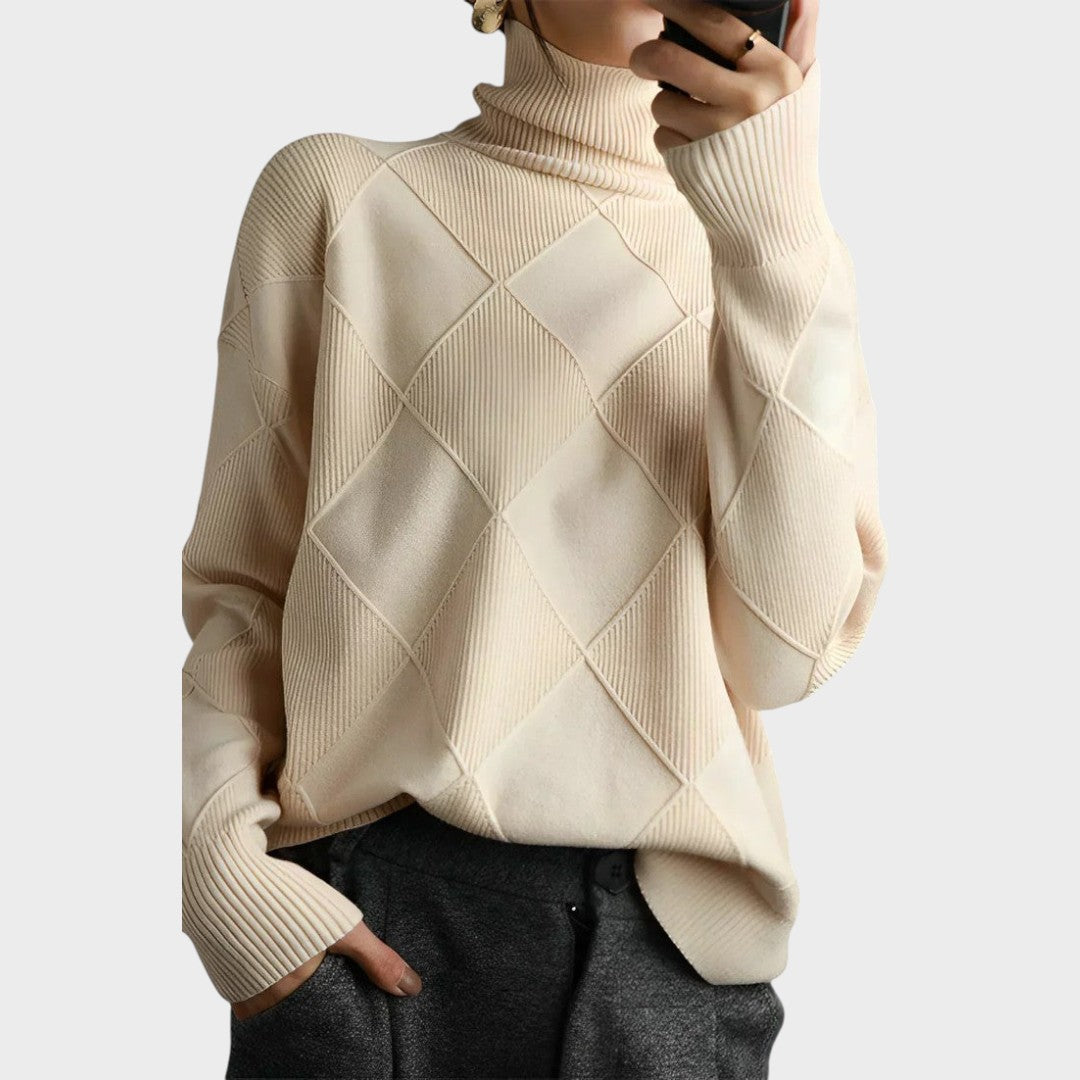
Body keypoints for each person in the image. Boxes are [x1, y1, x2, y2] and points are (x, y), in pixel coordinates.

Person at [179, 0, 888, 1076]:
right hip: (371, 923)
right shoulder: (337, 194)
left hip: (665, 953)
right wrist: (226, 881)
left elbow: (785, 656)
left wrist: (771, 229)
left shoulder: (778, 257)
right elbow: (243, 589)